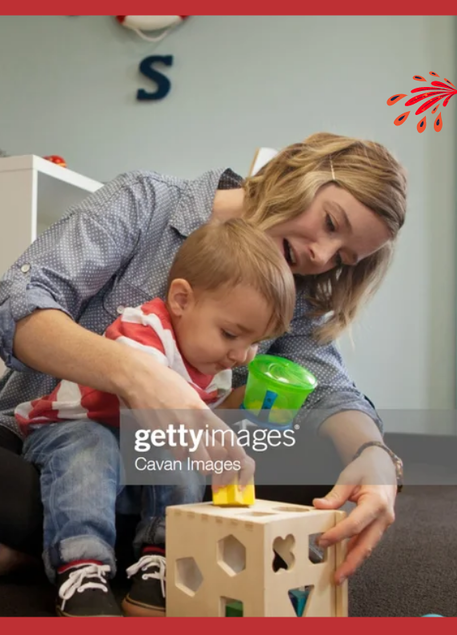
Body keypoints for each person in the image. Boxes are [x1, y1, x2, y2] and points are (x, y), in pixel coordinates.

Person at [0, 132, 408, 609]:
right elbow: (17, 305)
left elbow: (329, 387)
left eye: (343, 258)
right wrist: (135, 374)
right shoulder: (146, 201)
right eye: (331, 223)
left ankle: (52, 546)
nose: (321, 255)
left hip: (171, 467)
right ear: (298, 170)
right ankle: (156, 549)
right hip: (51, 435)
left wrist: (374, 458)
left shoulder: (296, 282)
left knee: (326, 466)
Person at [15, 218, 297, 617]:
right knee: (95, 450)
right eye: (232, 335)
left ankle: (160, 560)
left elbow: (206, 421)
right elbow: (156, 395)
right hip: (73, 430)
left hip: (130, 454)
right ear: (181, 300)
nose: (241, 355)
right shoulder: (145, 328)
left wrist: (251, 407)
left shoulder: (214, 364)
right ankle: (82, 567)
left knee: (182, 459)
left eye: (254, 342)